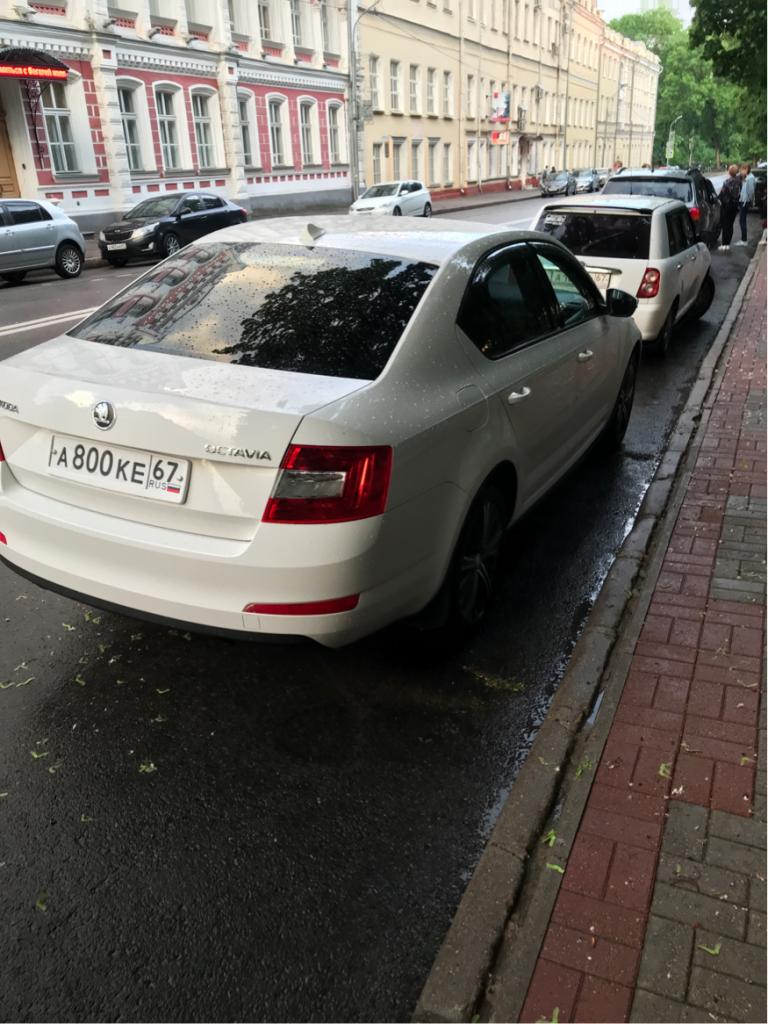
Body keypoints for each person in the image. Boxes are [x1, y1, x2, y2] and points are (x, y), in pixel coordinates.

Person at [718, 164, 741, 251]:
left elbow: (722, 194)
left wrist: (718, 198)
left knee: (725, 225)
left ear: (730, 172)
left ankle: (724, 244)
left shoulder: (727, 182)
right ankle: (728, 244)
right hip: (735, 206)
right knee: (730, 225)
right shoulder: (739, 182)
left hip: (726, 206)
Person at [735, 163, 756, 246]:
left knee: (742, 221)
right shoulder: (747, 177)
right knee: (741, 220)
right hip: (743, 201)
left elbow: (751, 191)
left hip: (745, 202)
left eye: (742, 169)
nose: (741, 171)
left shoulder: (750, 178)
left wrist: (748, 200)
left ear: (746, 169)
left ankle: (744, 240)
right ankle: (743, 239)